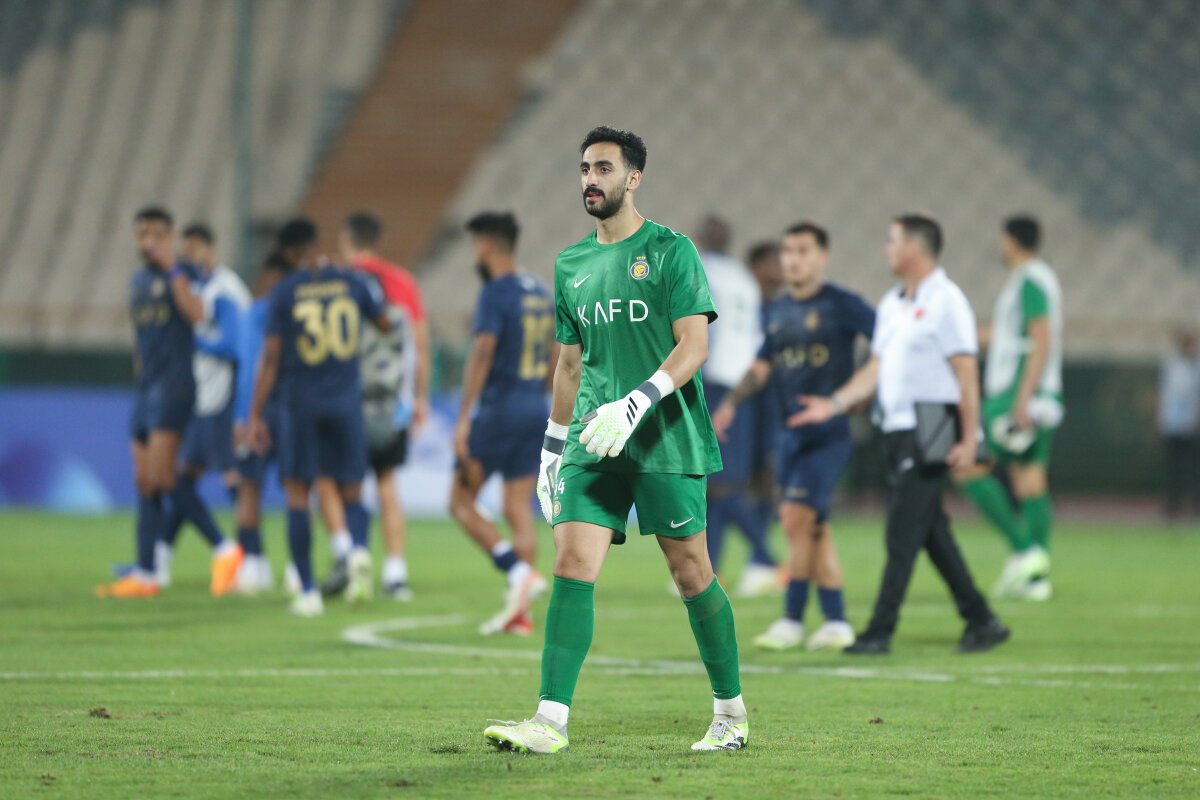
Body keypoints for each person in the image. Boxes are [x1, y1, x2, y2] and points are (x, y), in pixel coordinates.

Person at [484, 126, 747, 755]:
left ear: (633, 178)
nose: (590, 180)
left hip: (664, 436)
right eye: (584, 169)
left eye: (603, 168)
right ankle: (549, 720)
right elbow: (570, 365)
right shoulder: (570, 264)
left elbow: (694, 346)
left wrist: (638, 401)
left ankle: (730, 714)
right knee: (572, 564)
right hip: (593, 438)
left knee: (691, 573)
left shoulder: (671, 251)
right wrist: (553, 446)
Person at [792, 214, 1009, 655]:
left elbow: (967, 374)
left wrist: (970, 438)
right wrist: (834, 404)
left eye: (892, 241)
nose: (886, 249)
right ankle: (981, 619)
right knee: (931, 532)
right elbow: (875, 369)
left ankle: (879, 630)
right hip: (895, 429)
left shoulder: (947, 300)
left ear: (914, 249)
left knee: (902, 532)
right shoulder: (892, 304)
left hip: (932, 425)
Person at [712, 222, 874, 652]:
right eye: (788, 251)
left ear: (823, 257)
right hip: (789, 435)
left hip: (828, 434)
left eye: (803, 251)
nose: (792, 259)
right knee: (811, 525)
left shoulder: (842, 304)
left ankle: (793, 618)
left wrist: (850, 396)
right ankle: (835, 620)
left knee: (798, 519)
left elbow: (887, 347)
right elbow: (762, 365)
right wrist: (730, 404)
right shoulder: (779, 310)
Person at [247, 219, 389, 617]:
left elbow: (271, 357)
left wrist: (255, 414)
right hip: (346, 402)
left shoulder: (285, 291)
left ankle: (308, 592)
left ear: (290, 252)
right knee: (352, 490)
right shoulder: (353, 282)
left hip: (300, 405)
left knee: (297, 494)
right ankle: (358, 552)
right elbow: (384, 322)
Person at [450, 211, 555, 635]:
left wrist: (463, 418)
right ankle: (520, 615)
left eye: (476, 245)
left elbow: (482, 351)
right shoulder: (541, 292)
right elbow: (557, 355)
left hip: (499, 409)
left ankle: (518, 573)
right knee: (517, 507)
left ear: (487, 245)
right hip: (534, 407)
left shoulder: (496, 292)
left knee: (460, 501)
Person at [317, 211, 429, 601]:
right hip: (390, 403)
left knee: (330, 480)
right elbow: (420, 345)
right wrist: (420, 398)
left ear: (347, 240)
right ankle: (395, 573)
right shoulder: (402, 282)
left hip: (344, 400)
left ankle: (348, 554)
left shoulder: (336, 280)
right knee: (386, 483)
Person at [96, 207, 205, 598]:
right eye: (143, 234)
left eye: (157, 234)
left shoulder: (185, 272)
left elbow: (197, 313)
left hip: (174, 385)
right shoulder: (138, 281)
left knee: (162, 477)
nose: (150, 241)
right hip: (146, 387)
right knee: (145, 482)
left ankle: (225, 548)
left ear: (171, 236)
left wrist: (173, 268)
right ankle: (146, 573)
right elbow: (142, 338)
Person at [955, 215, 1063, 601]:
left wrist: (1022, 398)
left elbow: (1040, 337)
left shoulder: (1029, 280)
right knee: (1029, 479)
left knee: (967, 466)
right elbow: (1012, 334)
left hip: (1014, 393)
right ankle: (1036, 578)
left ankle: (1024, 551)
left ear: (1013, 241)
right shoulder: (1038, 279)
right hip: (1042, 393)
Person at [155, 223, 250, 595]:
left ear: (210, 249)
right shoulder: (197, 288)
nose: (189, 254)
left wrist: (189, 342)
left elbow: (233, 347)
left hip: (221, 397)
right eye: (186, 247)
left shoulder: (225, 290)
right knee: (183, 478)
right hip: (198, 397)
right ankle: (160, 558)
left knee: (231, 475)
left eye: (195, 247)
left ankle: (250, 559)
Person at [694, 215, 777, 597]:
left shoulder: (702, 270)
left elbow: (700, 326)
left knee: (720, 483)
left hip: (716, 380)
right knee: (716, 483)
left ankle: (768, 560)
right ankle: (712, 571)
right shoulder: (743, 278)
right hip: (746, 383)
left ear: (700, 239)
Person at [231, 251, 291, 595]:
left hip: (259, 413)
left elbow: (247, 367)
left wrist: (243, 416)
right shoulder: (297, 312)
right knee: (297, 489)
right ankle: (296, 568)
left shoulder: (254, 315)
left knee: (249, 488)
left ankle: (255, 565)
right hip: (290, 411)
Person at [1158, 328, 1200, 519]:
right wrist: (1160, 419)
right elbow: (1165, 394)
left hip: (1192, 424)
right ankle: (1173, 505)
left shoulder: (1196, 366)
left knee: (1194, 468)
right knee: (1173, 467)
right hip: (1172, 423)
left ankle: (1195, 505)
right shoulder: (1171, 365)